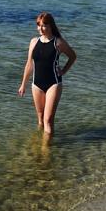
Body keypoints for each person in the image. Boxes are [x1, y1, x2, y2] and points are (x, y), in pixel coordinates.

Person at [18, 11, 77, 141]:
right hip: (36, 84)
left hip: (53, 84)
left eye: (44, 25)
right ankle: (39, 143)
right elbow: (29, 64)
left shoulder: (58, 42)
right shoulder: (33, 42)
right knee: (40, 119)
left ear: (50, 26)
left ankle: (46, 153)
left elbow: (73, 56)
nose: (40, 28)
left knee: (48, 120)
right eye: (38, 25)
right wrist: (23, 84)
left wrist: (64, 71)